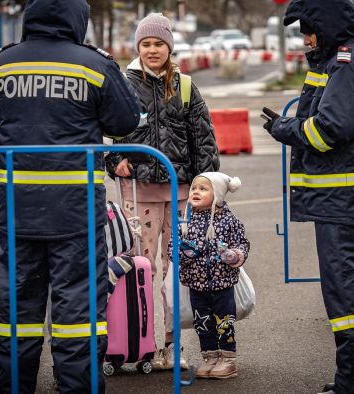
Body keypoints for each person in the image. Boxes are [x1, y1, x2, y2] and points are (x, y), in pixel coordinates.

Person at [0, 0, 140, 392]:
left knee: (15, 308)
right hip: (75, 213)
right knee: (78, 311)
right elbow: (127, 121)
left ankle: (13, 384)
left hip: (17, 212)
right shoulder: (94, 64)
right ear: (77, 19)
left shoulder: (2, 63)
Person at [260, 0, 354, 392]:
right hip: (349, 200)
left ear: (328, 26)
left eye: (309, 30)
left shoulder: (347, 63)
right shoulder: (349, 58)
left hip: (342, 202)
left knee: (349, 301)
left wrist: (285, 129)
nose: (306, 39)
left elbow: (328, 129)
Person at [105, 12, 219, 371]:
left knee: (178, 268)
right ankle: (140, 341)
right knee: (141, 267)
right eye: (146, 44)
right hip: (139, 193)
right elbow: (109, 134)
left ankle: (173, 345)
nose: (152, 50)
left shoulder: (185, 85)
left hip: (181, 191)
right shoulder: (122, 84)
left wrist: (208, 182)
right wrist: (114, 161)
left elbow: (203, 137)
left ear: (169, 46)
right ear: (137, 47)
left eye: (158, 43)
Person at [168, 172, 250, 380]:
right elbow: (172, 249)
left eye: (203, 189)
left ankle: (228, 359)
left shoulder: (230, 221)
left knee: (224, 323)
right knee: (203, 324)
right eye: (194, 188)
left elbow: (243, 244)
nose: (195, 191)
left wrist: (234, 256)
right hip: (196, 285)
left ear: (218, 194)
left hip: (223, 284)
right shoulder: (184, 221)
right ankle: (210, 357)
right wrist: (183, 253)